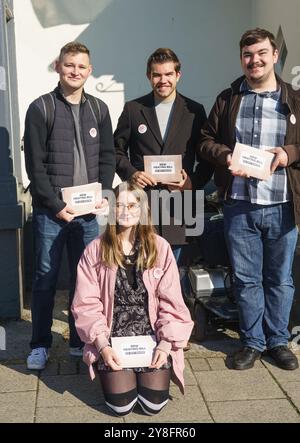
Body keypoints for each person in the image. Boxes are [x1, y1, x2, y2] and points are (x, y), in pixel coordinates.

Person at [198, 28, 300, 370]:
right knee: (246, 278)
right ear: (241, 59)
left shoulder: (294, 99)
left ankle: (278, 341)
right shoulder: (228, 99)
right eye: (247, 55)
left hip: (282, 205)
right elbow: (205, 140)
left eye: (260, 53)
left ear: (274, 56)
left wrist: (287, 154)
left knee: (280, 278)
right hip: (239, 205)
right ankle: (253, 342)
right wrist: (226, 156)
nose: (253, 60)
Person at [24, 41, 115, 370]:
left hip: (89, 214)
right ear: (58, 67)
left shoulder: (99, 110)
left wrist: (104, 191)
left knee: (86, 280)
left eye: (81, 66)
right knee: (45, 278)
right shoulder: (41, 108)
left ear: (89, 71)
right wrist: (53, 204)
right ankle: (40, 344)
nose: (75, 71)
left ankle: (81, 339)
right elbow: (35, 166)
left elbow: (108, 157)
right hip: (52, 214)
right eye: (69, 65)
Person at [71, 182, 194, 416]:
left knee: (153, 405)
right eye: (119, 205)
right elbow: (86, 304)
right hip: (113, 333)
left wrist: (166, 344)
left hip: (152, 331)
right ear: (111, 210)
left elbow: (172, 302)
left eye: (132, 205)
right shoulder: (95, 250)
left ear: (143, 209)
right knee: (121, 406)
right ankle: (118, 371)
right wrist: (102, 346)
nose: (125, 211)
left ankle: (142, 373)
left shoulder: (160, 247)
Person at [114, 48, 214, 263]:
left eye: (168, 74)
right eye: (157, 74)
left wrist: (191, 183)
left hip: (179, 206)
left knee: (174, 274)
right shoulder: (133, 109)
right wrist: (132, 174)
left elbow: (207, 156)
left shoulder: (194, 111)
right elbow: (115, 151)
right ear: (149, 76)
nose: (163, 80)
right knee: (143, 271)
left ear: (178, 75)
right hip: (143, 204)